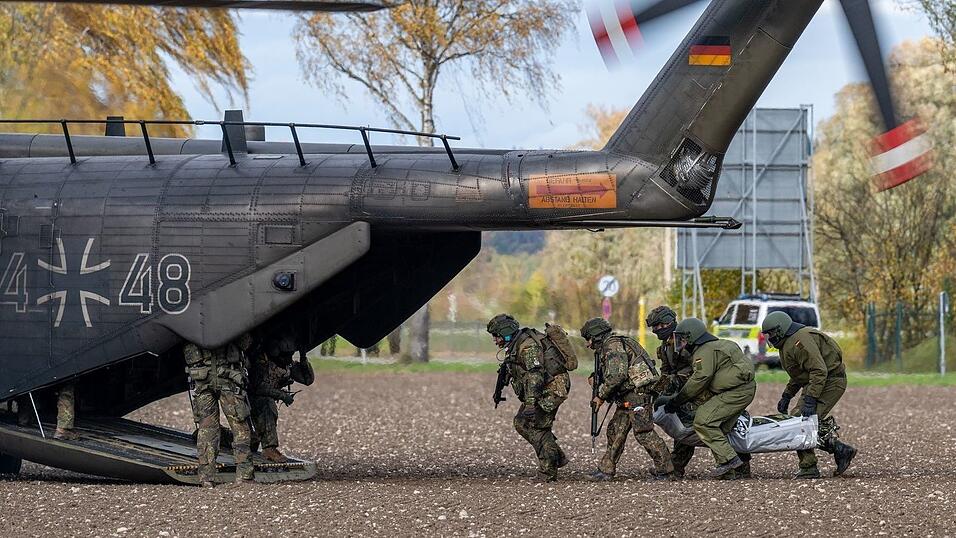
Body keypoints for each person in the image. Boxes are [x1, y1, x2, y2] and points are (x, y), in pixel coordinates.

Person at [647, 306, 753, 479]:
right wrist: (659, 392)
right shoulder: (666, 347)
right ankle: (677, 467)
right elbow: (666, 372)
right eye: (654, 327)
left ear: (668, 323)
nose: (655, 330)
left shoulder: (689, 338)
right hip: (687, 390)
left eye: (658, 326)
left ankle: (734, 466)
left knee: (709, 424)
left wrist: (677, 394)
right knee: (685, 428)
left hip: (701, 390)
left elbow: (702, 370)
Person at [761, 311, 857, 478]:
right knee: (798, 421)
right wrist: (787, 396)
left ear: (780, 329)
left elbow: (818, 371)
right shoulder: (788, 344)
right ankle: (839, 450)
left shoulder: (800, 340)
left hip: (831, 381)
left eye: (771, 333)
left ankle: (809, 466)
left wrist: (811, 399)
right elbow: (800, 375)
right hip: (819, 382)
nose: (770, 338)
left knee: (800, 421)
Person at [582, 317, 675, 481]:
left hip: (639, 394)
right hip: (630, 394)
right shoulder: (613, 344)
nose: (587, 344)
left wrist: (600, 396)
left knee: (643, 432)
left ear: (596, 336)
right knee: (616, 430)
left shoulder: (612, 346)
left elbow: (617, 376)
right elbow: (614, 372)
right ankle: (606, 470)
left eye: (588, 339)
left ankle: (666, 470)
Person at [486, 314, 570, 482]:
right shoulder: (517, 344)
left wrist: (531, 403)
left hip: (553, 388)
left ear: (506, 333)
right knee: (523, 423)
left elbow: (535, 375)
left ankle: (548, 471)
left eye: (496, 335)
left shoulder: (527, 346)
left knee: (534, 425)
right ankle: (556, 456)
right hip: (543, 388)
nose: (495, 340)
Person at [184, 334, 256, 487]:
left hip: (203, 381)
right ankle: (244, 476)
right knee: (240, 428)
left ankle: (206, 478)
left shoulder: (195, 321)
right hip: (228, 381)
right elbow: (246, 343)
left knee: (207, 431)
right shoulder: (229, 320)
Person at [249, 336, 315, 463]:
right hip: (251, 399)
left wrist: (303, 358)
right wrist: (282, 395)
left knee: (251, 439)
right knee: (267, 405)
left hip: (262, 400)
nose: (288, 358)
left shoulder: (287, 365)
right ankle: (269, 449)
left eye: (290, 354)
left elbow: (307, 379)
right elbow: (258, 388)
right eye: (285, 354)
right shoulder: (262, 362)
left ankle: (225, 437)